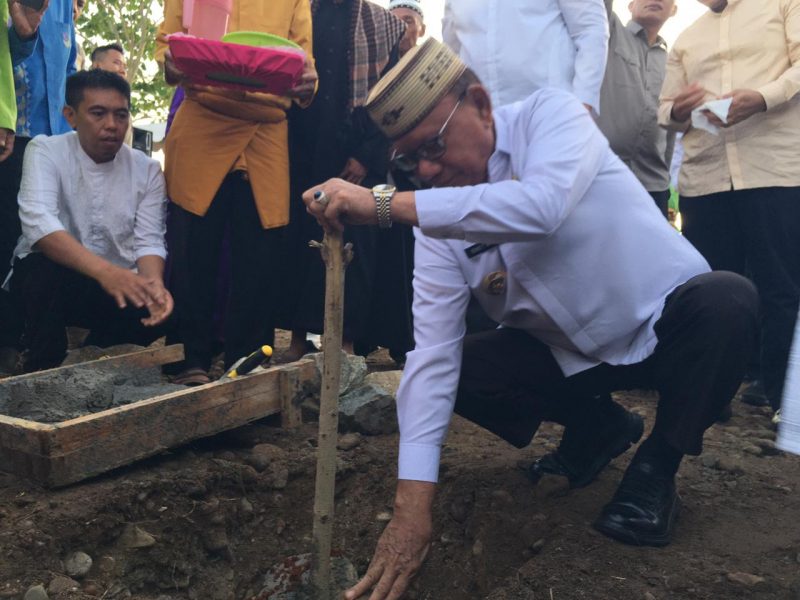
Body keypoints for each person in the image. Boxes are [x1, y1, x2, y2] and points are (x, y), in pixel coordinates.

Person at [303, 39, 759, 599]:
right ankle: (600, 428)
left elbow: (542, 207)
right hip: (572, 355)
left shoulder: (552, 118)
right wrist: (410, 512)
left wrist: (382, 204)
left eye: (434, 146)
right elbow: (433, 359)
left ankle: (657, 468)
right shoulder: (436, 221)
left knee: (728, 301)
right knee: (459, 370)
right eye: (407, 162)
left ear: (480, 104)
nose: (426, 170)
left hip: (665, 325)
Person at [155, 0, 317, 385]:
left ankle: (247, 369)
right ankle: (190, 359)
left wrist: (308, 82)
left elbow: (305, 64)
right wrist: (171, 63)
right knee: (192, 249)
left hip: (266, 130)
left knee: (260, 257)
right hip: (203, 121)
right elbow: (167, 44)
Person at [658, 0, 800, 418]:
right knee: (711, 291)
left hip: (774, 170)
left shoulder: (783, 5)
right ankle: (706, 398)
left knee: (782, 288)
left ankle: (783, 400)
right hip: (706, 179)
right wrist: (678, 110)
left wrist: (762, 97)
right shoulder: (687, 39)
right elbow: (665, 110)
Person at [8, 70, 172, 373]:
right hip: (60, 281)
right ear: (71, 116)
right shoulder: (45, 150)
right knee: (40, 269)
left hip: (119, 287)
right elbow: (39, 225)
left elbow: (149, 240)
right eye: (98, 113)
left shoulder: (146, 169)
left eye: (121, 115)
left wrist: (154, 286)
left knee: (169, 299)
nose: (112, 125)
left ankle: (97, 359)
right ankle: (41, 369)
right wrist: (106, 273)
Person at [279, 0, 407, 363]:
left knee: (356, 249)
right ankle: (298, 340)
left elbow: (391, 102)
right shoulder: (300, 14)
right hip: (305, 150)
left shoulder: (383, 25)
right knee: (300, 245)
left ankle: (345, 344)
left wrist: (365, 156)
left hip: (359, 159)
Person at [0, 0, 75, 374]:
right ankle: (6, 342)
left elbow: (69, 70)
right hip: (11, 139)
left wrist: (75, 133)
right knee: (6, 241)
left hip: (54, 143)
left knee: (42, 244)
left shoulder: (63, 6)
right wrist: (21, 34)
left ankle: (32, 346)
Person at [441, 0, 608, 112]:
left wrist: (582, 106)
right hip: (482, 124)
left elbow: (590, 30)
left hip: (549, 117)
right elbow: (452, 47)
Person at [596, 0, 676, 217]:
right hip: (604, 177)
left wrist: (665, 173)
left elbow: (672, 126)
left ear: (674, 10)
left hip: (654, 185)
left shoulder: (673, 63)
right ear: (630, 6)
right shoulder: (609, 32)